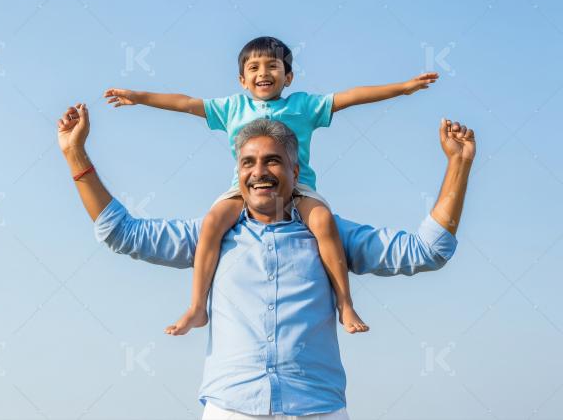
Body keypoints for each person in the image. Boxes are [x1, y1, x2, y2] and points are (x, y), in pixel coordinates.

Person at [56, 102, 474, 418]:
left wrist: (459, 164)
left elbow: (427, 251)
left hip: (318, 407)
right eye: (248, 162)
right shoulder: (213, 235)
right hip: (232, 406)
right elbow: (123, 233)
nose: (260, 171)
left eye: (272, 160)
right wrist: (76, 155)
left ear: (295, 171)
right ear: (238, 174)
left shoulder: (330, 232)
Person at [104, 36, 440, 335]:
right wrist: (140, 96)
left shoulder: (303, 105)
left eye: (273, 66)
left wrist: (403, 87)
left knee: (323, 222)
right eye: (254, 67)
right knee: (212, 223)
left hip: (299, 189)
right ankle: (196, 306)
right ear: (242, 79)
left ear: (288, 76)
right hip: (244, 190)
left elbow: (351, 97)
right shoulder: (231, 107)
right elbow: (185, 102)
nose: (263, 73)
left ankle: (345, 304)